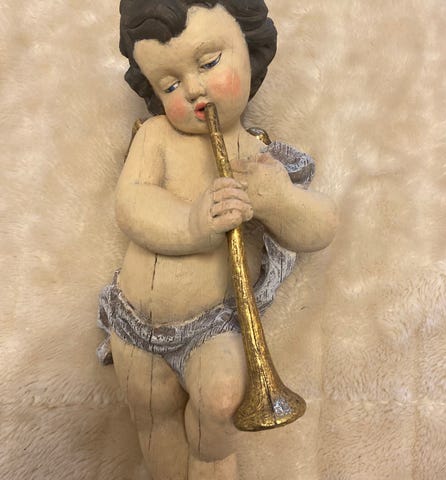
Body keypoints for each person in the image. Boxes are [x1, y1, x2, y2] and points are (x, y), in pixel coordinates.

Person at [98, 1, 338, 478]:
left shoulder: (259, 156)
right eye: (169, 85)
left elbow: (322, 227)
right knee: (152, 417)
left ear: (251, 50)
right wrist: (192, 224)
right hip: (136, 323)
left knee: (224, 403)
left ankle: (210, 460)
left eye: (208, 63)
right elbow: (132, 204)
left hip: (213, 326)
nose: (192, 89)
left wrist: (279, 202)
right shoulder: (156, 136)